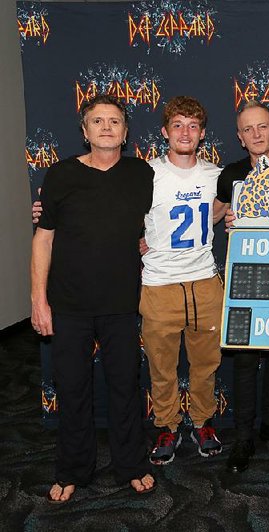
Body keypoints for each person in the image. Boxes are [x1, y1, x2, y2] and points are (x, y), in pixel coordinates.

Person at [31, 94, 155, 503]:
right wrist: (37, 300)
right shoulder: (61, 175)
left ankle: (132, 465)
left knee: (125, 387)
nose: (106, 127)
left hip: (121, 304)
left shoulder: (142, 175)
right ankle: (71, 469)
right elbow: (43, 238)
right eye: (97, 121)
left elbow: (165, 220)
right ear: (84, 131)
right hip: (68, 305)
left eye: (114, 121)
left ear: (125, 132)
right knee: (72, 389)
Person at [215, 100, 269, 473]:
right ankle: (244, 435)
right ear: (239, 136)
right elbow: (211, 215)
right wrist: (227, 216)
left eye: (262, 127)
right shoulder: (231, 174)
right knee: (246, 357)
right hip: (246, 277)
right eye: (248, 129)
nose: (256, 134)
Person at [142, 96, 225, 466]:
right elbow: (114, 212)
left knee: (206, 364)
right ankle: (167, 425)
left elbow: (226, 211)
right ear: (165, 132)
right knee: (162, 367)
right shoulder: (146, 174)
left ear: (203, 133)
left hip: (204, 282)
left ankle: (203, 422)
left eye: (193, 126)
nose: (185, 132)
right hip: (160, 285)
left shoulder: (215, 175)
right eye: (177, 125)